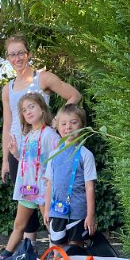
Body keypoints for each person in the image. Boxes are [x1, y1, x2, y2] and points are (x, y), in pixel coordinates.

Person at [1, 34, 81, 243]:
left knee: (49, 200)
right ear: (8, 58)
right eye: (12, 54)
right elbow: (7, 125)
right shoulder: (7, 89)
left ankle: (58, 244)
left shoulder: (43, 78)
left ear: (28, 54)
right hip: (19, 153)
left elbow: (74, 95)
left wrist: (57, 120)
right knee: (26, 199)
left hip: (44, 152)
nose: (17, 58)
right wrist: (5, 160)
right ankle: (28, 248)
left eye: (20, 53)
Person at [0, 93, 60, 260]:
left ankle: (58, 258)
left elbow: (58, 162)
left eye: (32, 107)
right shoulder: (29, 134)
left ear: (42, 108)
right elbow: (28, 163)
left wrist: (50, 184)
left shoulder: (50, 135)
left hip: (43, 189)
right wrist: (16, 153)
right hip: (28, 189)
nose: (28, 112)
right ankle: (4, 257)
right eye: (24, 110)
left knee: (50, 225)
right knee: (19, 225)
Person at [44, 104, 97, 249]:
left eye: (73, 122)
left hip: (78, 212)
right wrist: (47, 210)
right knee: (57, 250)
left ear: (83, 126)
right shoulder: (53, 154)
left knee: (76, 250)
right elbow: (49, 184)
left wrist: (90, 215)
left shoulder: (86, 155)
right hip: (56, 211)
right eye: (63, 123)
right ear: (57, 126)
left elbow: (90, 187)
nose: (68, 127)